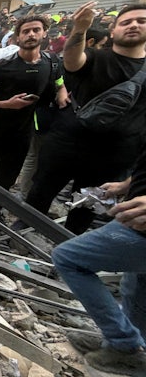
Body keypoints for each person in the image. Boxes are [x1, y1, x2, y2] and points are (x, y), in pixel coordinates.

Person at [25, 2, 146, 233]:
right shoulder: (96, 57)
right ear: (113, 30)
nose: (133, 25)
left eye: (141, 21)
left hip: (116, 153)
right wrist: (79, 29)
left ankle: (70, 238)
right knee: (42, 188)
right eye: (126, 22)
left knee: (88, 204)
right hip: (68, 141)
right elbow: (72, 61)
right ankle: (25, 227)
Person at [51, 150, 146, 375]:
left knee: (68, 258)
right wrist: (125, 185)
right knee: (137, 286)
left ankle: (123, 344)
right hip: (138, 220)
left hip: (141, 229)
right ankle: (126, 348)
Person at [0, 15, 68, 215]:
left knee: (10, 174)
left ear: (44, 33)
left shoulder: (52, 62)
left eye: (36, 30)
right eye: (26, 31)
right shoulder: (2, 66)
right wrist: (6, 104)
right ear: (17, 36)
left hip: (24, 130)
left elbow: (60, 83)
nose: (31, 34)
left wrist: (62, 95)